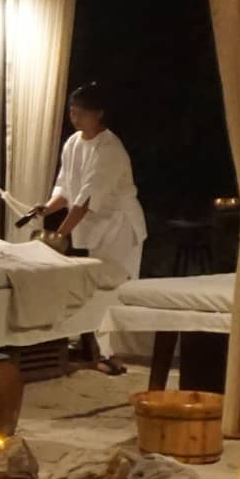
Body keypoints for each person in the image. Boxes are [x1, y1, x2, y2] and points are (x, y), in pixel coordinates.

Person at [32, 82, 147, 375]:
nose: (75, 117)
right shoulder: (72, 144)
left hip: (119, 227)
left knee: (113, 287)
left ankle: (110, 354)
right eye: (72, 112)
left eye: (80, 112)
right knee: (93, 286)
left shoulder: (110, 149)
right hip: (92, 227)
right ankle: (95, 350)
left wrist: (59, 234)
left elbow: (86, 199)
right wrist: (47, 208)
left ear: (98, 114)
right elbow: (66, 188)